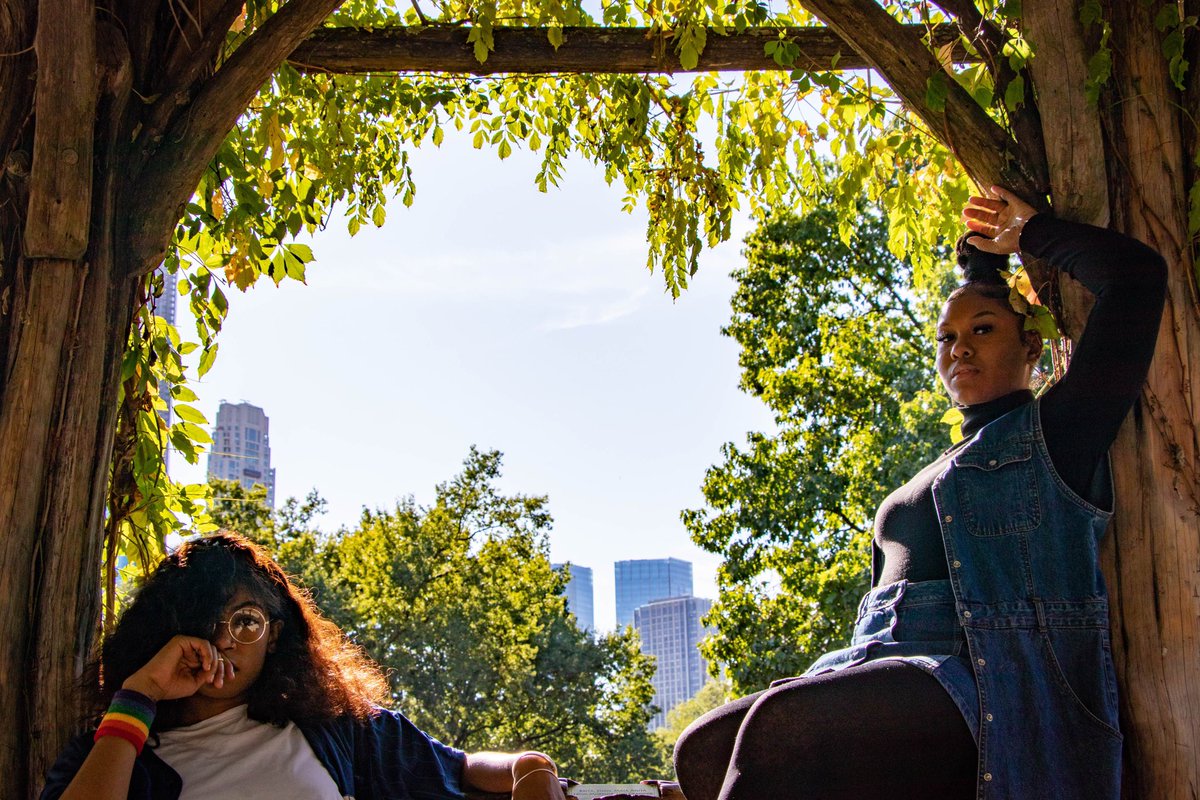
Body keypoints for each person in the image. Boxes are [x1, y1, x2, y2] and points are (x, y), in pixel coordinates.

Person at [672, 187, 1167, 800]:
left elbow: (1140, 280)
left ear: (1032, 346)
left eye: (982, 329)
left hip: (987, 683)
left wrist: (1031, 234)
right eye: (946, 337)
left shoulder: (1054, 435)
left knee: (785, 728)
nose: (959, 347)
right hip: (875, 664)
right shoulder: (928, 472)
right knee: (699, 750)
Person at [42, 532, 568, 800]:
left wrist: (528, 766)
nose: (224, 641)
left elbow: (458, 769)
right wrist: (139, 695)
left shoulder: (332, 728)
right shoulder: (116, 750)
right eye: (204, 622)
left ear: (274, 636)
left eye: (245, 622)